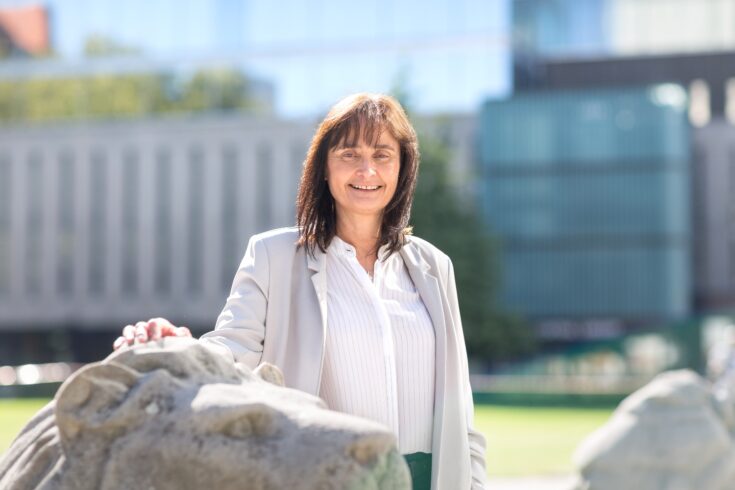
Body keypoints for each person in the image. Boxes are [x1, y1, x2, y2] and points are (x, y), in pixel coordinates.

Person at [114, 93, 488, 490]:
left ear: (402, 168)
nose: (367, 170)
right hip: (324, 475)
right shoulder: (273, 256)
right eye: (349, 154)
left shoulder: (434, 267)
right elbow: (231, 348)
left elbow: (460, 414)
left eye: (382, 155)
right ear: (324, 168)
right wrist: (178, 346)